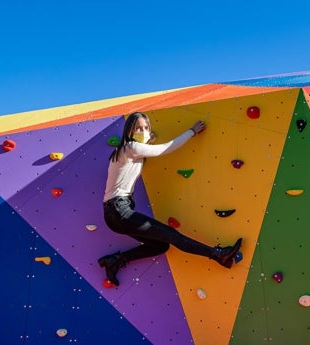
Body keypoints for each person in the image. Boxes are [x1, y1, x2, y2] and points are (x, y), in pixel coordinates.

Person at [98, 112, 242, 286]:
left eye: (145, 128)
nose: (142, 131)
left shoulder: (126, 151)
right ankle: (218, 254)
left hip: (115, 214)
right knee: (172, 235)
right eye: (138, 128)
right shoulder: (131, 147)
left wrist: (148, 140)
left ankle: (115, 260)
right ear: (129, 130)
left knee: (161, 245)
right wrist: (191, 132)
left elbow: (139, 158)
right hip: (119, 210)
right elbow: (164, 149)